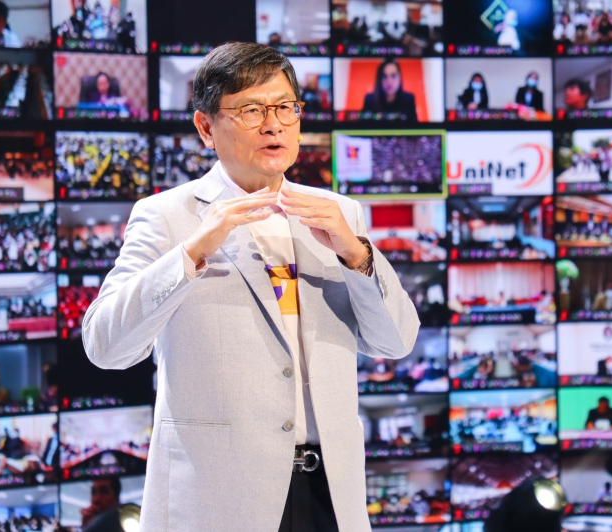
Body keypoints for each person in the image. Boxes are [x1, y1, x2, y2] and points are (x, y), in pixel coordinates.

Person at [82, 42, 420, 532]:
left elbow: (395, 341)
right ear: (206, 128)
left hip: (329, 492)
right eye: (251, 110)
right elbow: (105, 346)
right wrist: (191, 254)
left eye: (285, 107)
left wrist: (357, 253)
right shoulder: (167, 216)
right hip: (220, 499)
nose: (273, 124)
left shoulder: (339, 213)